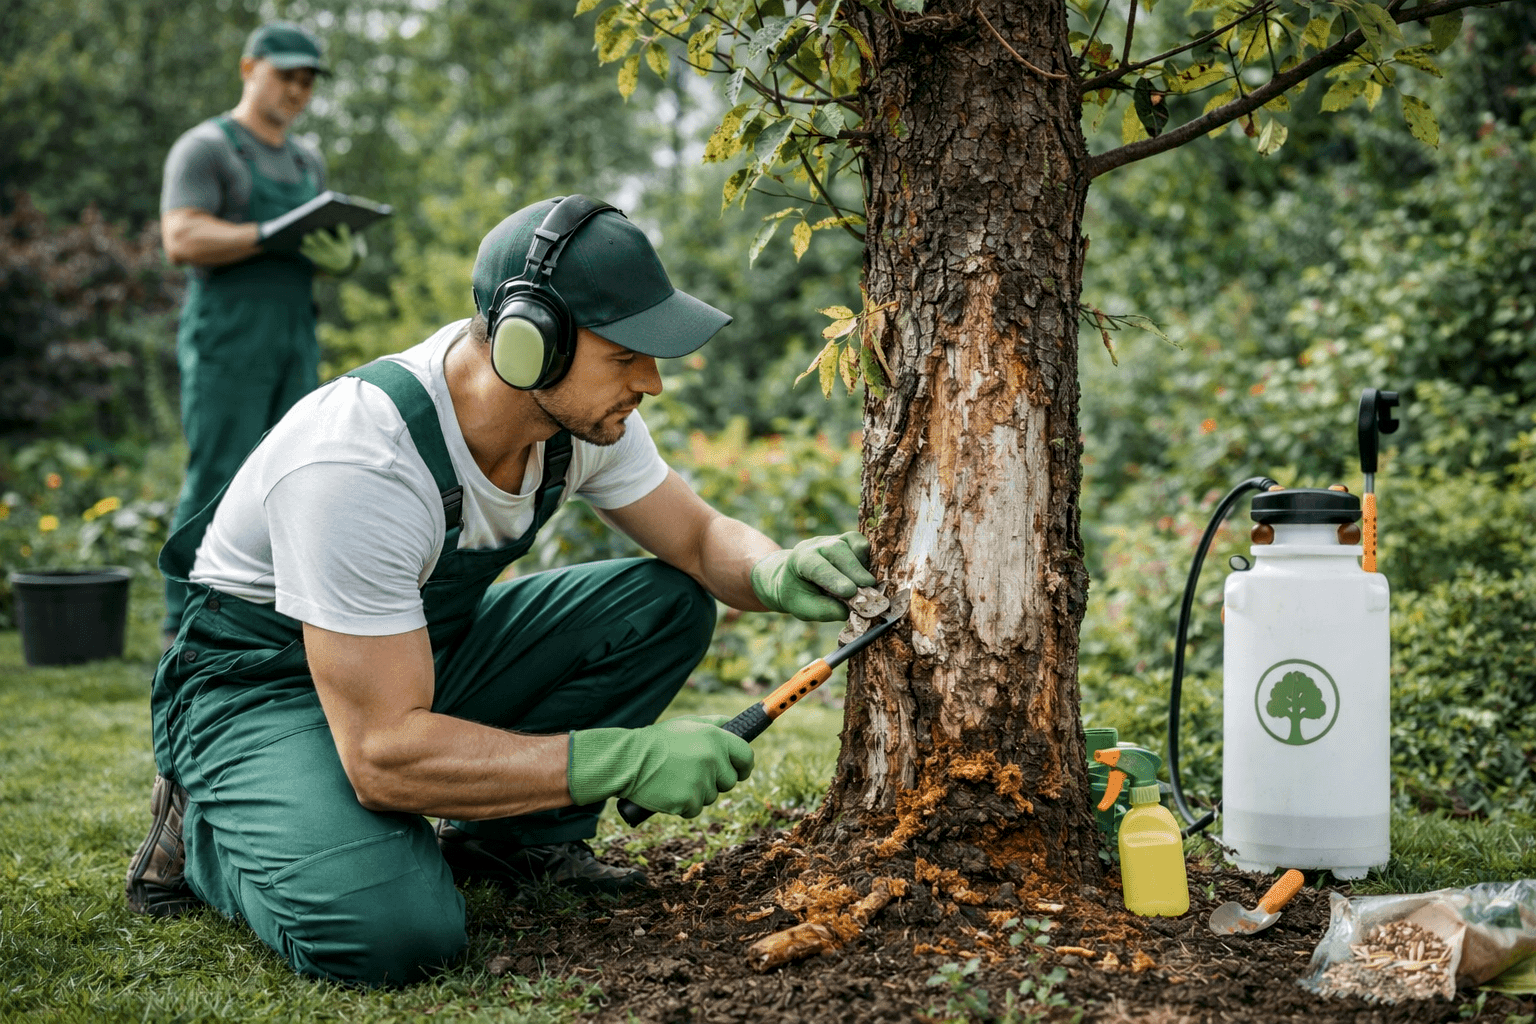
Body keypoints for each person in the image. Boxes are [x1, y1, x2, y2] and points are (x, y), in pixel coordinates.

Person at [125, 195, 880, 987]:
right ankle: (211, 822)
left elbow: (696, 540)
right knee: (392, 933)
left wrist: (773, 570)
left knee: (661, 603)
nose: (651, 383)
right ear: (530, 345)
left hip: (405, 659)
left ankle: (512, 838)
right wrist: (615, 758)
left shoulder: (578, 423)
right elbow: (381, 755)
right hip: (262, 692)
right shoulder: (360, 465)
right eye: (626, 355)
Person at [159, 20, 365, 645]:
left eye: (308, 80)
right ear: (250, 68)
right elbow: (182, 237)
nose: (298, 90)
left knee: (291, 474)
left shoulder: (307, 159)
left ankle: (260, 619)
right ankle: (182, 621)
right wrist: (265, 236)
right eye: (286, 75)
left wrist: (344, 255)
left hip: (293, 336)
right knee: (218, 472)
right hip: (229, 339)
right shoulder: (207, 148)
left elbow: (325, 239)